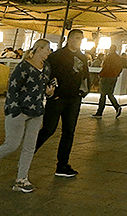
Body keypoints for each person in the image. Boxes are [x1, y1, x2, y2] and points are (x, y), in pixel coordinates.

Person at [0, 39, 55, 193]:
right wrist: (14, 109)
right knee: (12, 144)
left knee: (29, 147)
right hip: (19, 109)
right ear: (39, 49)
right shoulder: (24, 66)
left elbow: (42, 87)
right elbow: (13, 88)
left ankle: (21, 179)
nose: (49, 52)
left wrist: (49, 92)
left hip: (36, 111)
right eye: (47, 49)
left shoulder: (46, 67)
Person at [34, 29, 90, 178]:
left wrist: (82, 92)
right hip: (58, 98)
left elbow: (85, 76)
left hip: (73, 99)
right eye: (76, 38)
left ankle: (62, 164)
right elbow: (47, 73)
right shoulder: (56, 56)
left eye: (80, 39)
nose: (78, 41)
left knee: (69, 131)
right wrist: (51, 91)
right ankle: (28, 151)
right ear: (69, 39)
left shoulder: (82, 57)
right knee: (48, 129)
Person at [91, 45, 124, 118]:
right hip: (113, 77)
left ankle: (100, 112)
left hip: (106, 77)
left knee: (103, 95)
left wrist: (101, 74)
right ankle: (117, 107)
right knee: (110, 94)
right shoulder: (118, 58)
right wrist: (116, 74)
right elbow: (120, 68)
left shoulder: (109, 57)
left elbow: (106, 67)